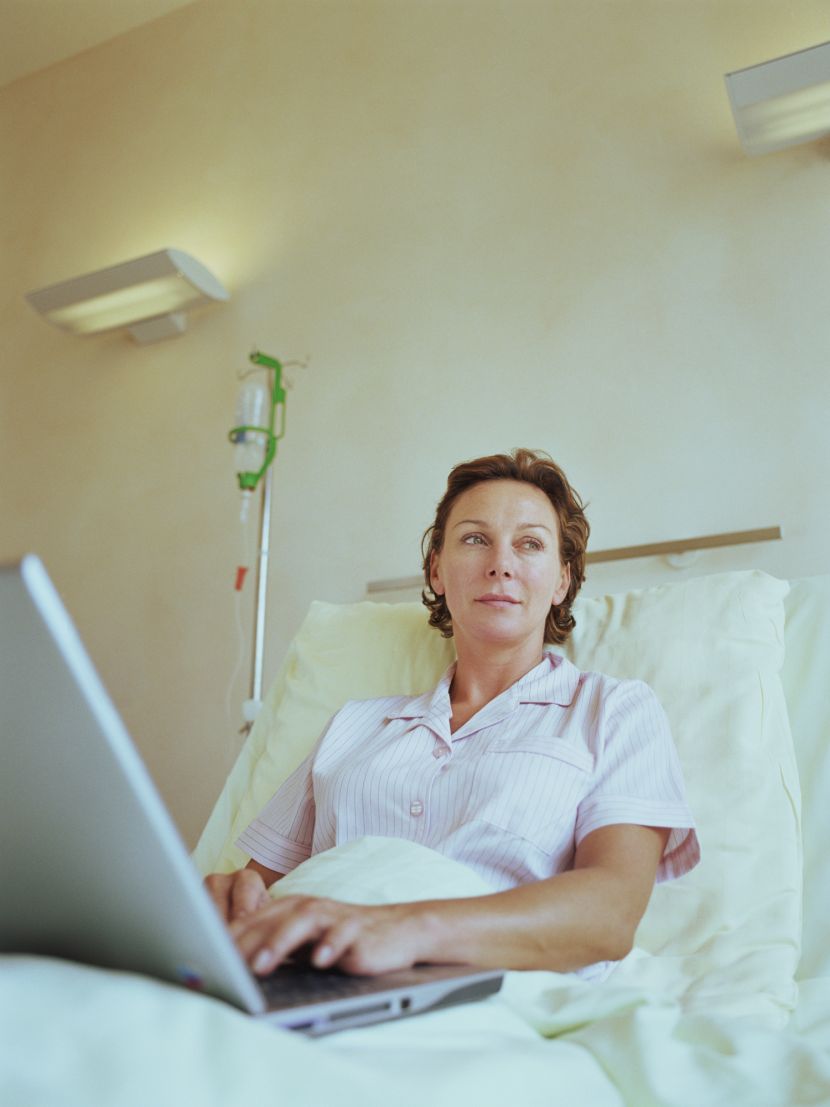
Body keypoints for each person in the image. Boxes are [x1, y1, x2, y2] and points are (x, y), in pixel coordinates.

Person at [206, 448, 699, 981]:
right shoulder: (354, 726)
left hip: (480, 989)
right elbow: (258, 884)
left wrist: (403, 930)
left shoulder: (613, 711)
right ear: (437, 571)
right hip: (303, 976)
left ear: (561, 580)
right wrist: (230, 895)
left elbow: (609, 915)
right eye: (474, 538)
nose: (500, 564)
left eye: (529, 544)